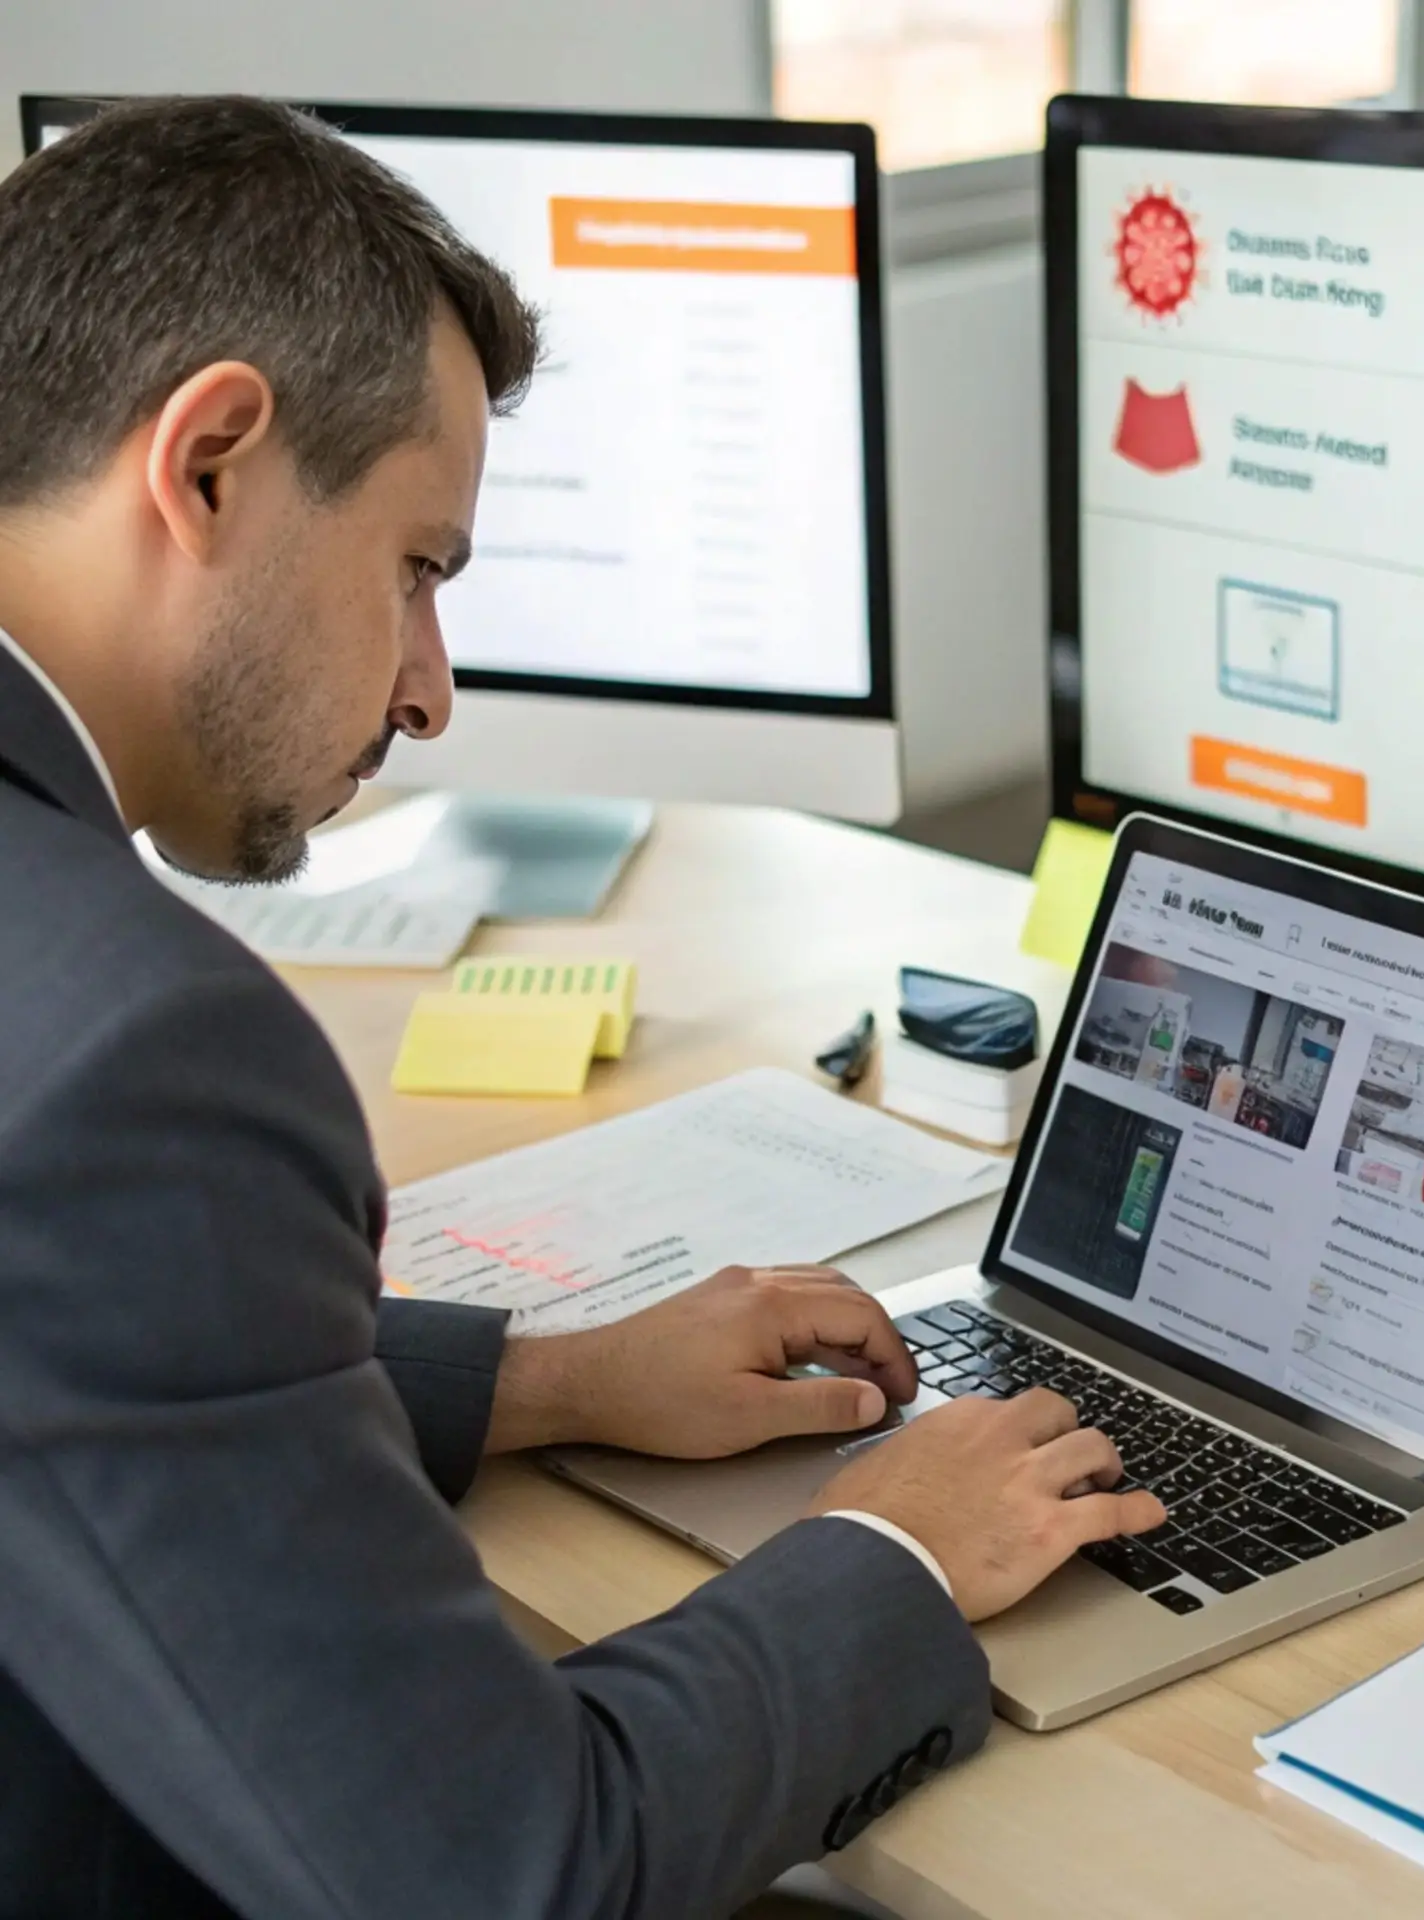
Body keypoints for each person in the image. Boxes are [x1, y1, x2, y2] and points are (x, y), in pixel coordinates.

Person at [0, 98, 1164, 1920]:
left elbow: (67, 1340)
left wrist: (547, 1383)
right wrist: (895, 1549)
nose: (431, 688)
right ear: (209, 461)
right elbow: (506, 1874)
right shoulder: (137, 1061)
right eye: (418, 571)